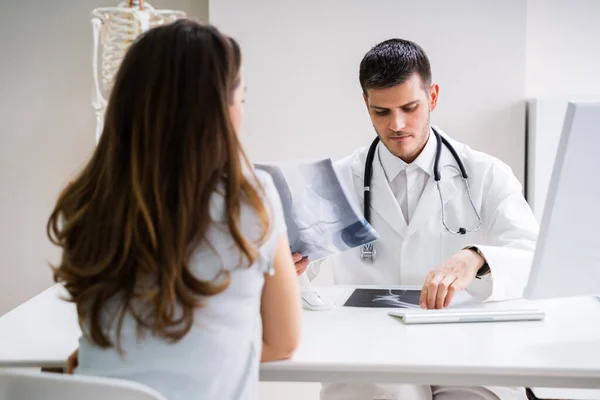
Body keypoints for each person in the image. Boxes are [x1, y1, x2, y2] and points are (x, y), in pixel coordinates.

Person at [47, 19, 301, 400]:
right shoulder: (250, 200)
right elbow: (283, 343)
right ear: (219, 109)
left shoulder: (86, 200)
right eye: (240, 99)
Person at [295, 39, 539, 400]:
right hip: (369, 353)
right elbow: (297, 266)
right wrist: (287, 265)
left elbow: (533, 255)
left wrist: (477, 258)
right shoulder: (337, 181)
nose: (397, 124)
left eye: (410, 108)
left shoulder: (486, 174)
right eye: (382, 112)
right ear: (366, 103)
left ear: (433, 97)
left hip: (467, 351)